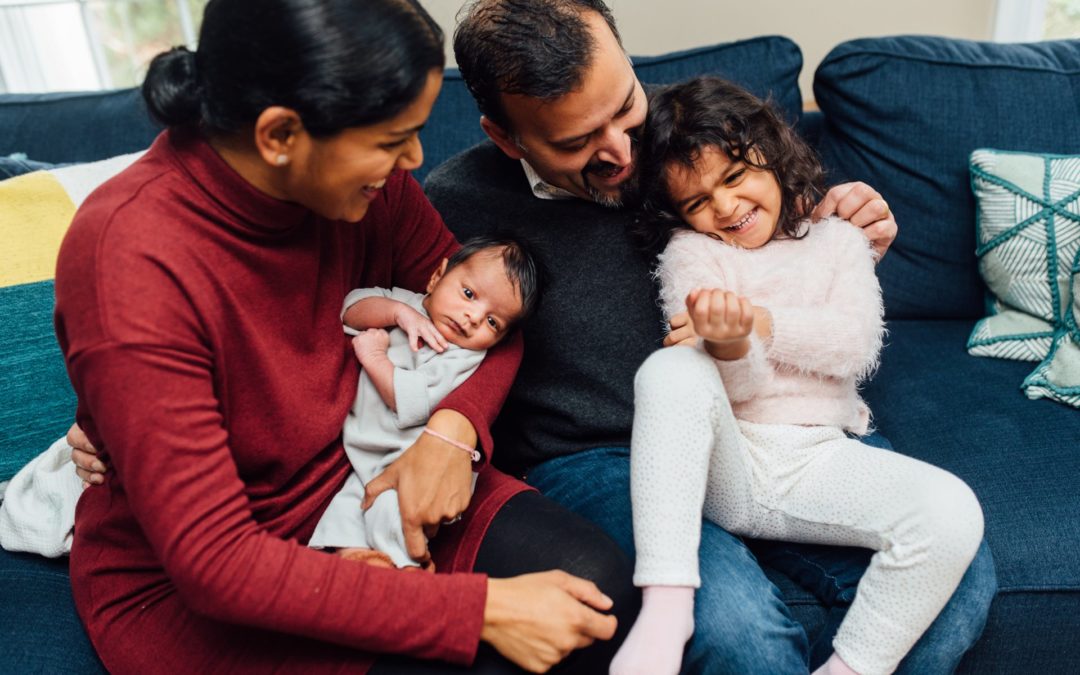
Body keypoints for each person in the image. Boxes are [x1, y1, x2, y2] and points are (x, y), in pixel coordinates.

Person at [54, 1, 636, 673]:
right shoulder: (131, 256)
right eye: (394, 139)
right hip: (210, 583)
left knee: (594, 595)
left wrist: (454, 430)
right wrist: (479, 609)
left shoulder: (369, 187)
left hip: (364, 481)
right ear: (280, 135)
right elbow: (215, 561)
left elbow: (493, 326)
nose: (416, 159)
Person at [424, 1, 997, 672]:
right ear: (507, 137)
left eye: (623, 106)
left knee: (956, 570)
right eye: (578, 142)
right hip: (604, 454)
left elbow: (781, 210)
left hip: (775, 420)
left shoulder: (696, 127)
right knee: (737, 635)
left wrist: (840, 224)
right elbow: (430, 339)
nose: (621, 151)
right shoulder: (458, 200)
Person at [609, 76, 985, 675]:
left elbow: (855, 345)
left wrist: (759, 321)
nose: (725, 208)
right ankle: (666, 605)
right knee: (673, 367)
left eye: (734, 178)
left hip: (816, 462)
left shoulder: (839, 242)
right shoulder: (692, 253)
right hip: (727, 461)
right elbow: (741, 390)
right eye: (698, 202)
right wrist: (731, 345)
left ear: (773, 154)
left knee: (953, 510)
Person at [311, 236, 543, 571]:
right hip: (364, 456)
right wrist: (396, 313)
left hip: (411, 460)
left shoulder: (461, 355)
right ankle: (354, 557)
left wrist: (376, 358)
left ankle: (406, 566)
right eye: (469, 294)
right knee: (349, 507)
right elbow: (352, 307)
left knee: (391, 506)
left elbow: (411, 403)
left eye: (493, 322)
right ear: (437, 276)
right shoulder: (406, 303)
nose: (473, 317)